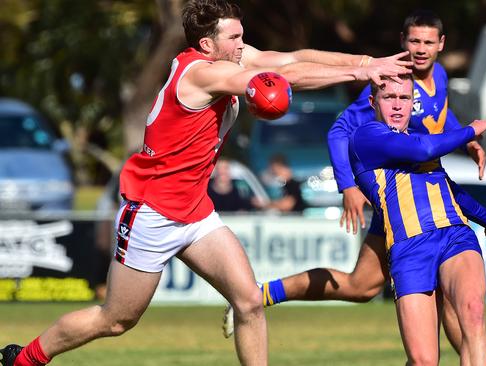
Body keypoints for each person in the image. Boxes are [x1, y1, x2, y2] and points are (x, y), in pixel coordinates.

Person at [0, 0, 412, 365]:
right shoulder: (199, 75)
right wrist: (360, 73)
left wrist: (364, 61)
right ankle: (27, 359)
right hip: (152, 212)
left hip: (195, 212)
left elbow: (287, 59)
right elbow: (279, 79)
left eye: (241, 36)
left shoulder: (228, 57)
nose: (242, 45)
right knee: (117, 319)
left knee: (249, 300)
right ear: (206, 46)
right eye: (234, 38)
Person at [224, 10, 486, 359]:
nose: (421, 49)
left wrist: (467, 141)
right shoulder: (388, 83)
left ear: (441, 44)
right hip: (395, 201)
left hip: (429, 199)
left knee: (362, 287)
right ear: (402, 41)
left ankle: (262, 294)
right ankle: (256, 295)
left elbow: (440, 113)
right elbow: (339, 130)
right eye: (414, 41)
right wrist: (348, 185)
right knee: (444, 317)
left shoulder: (437, 77)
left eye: (428, 42)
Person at [349, 75, 486, 365]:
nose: (397, 105)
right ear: (372, 102)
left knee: (473, 312)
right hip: (409, 247)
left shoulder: (418, 137)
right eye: (388, 97)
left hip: (455, 234)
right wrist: (469, 131)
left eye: (404, 98)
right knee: (424, 360)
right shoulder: (366, 137)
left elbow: (446, 186)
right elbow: (424, 151)